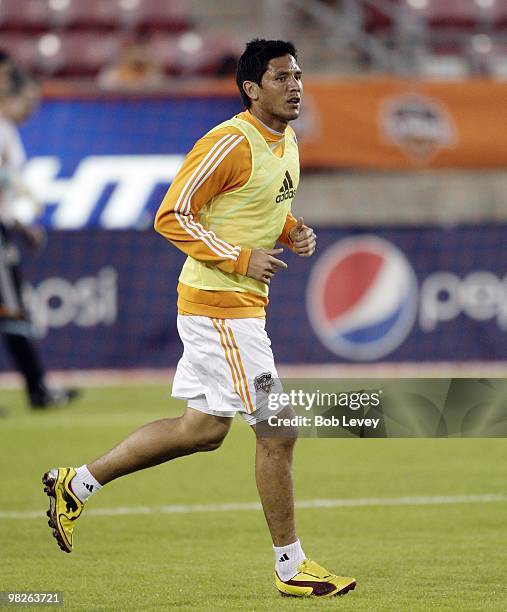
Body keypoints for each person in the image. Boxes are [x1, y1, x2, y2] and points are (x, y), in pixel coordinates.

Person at [42, 39, 356, 598]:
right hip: (219, 307)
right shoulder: (228, 141)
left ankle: (77, 484)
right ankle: (292, 567)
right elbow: (171, 215)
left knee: (202, 431)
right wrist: (240, 258)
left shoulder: (285, 141)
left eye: (299, 75)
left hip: (240, 308)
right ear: (251, 89)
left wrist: (290, 230)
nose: (295, 86)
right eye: (281, 77)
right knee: (279, 430)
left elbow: (258, 206)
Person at [0, 65, 79, 409]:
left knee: (13, 311)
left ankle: (38, 388)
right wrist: (18, 222)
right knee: (13, 312)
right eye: (29, 100)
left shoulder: (9, 132)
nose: (33, 109)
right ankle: (38, 390)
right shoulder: (2, 132)